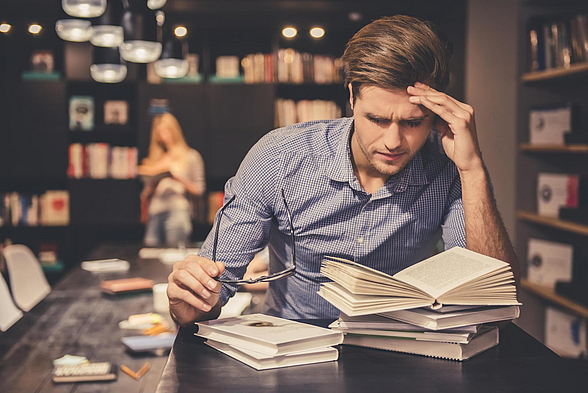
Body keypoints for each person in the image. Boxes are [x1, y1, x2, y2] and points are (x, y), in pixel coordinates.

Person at [167, 15, 520, 325]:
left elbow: (494, 296)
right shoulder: (277, 157)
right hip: (293, 345)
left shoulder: (446, 164)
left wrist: (471, 168)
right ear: (352, 97)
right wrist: (189, 299)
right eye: (377, 119)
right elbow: (211, 292)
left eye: (413, 122)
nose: (394, 141)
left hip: (402, 346)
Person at [139, 112, 206, 247]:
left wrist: (177, 177)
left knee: (174, 252)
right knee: (150, 252)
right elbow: (147, 193)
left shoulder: (190, 156)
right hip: (155, 210)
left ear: (174, 131)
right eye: (159, 133)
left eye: (165, 131)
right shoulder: (156, 157)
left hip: (177, 209)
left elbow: (199, 189)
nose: (162, 136)